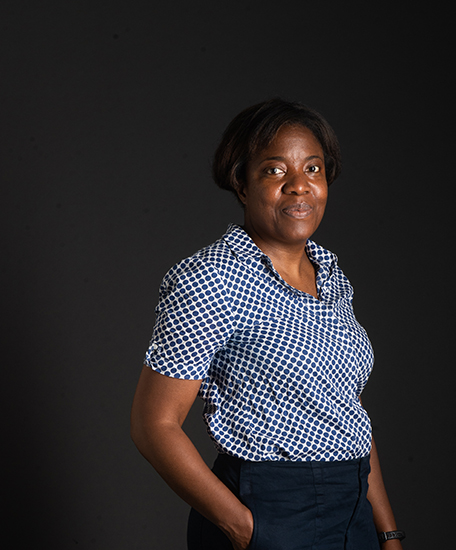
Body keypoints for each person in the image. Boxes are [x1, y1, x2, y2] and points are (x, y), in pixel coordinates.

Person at [131, 98, 405, 550]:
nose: (300, 186)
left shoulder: (333, 278)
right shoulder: (211, 278)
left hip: (353, 511)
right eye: (276, 170)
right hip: (269, 511)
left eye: (313, 169)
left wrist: (387, 532)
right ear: (241, 182)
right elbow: (153, 425)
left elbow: (347, 413)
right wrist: (245, 528)